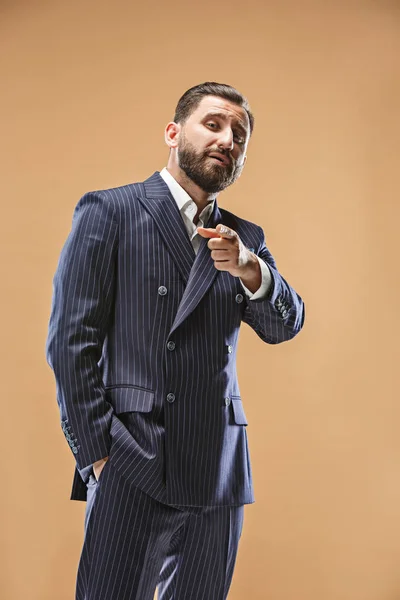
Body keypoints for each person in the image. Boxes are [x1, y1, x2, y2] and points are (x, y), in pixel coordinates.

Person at [46, 81, 305, 600]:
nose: (228, 140)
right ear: (173, 132)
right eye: (214, 124)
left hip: (218, 466)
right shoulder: (110, 211)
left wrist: (252, 270)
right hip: (134, 455)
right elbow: (71, 343)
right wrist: (99, 457)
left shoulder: (245, 238)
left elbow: (285, 325)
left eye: (240, 135)